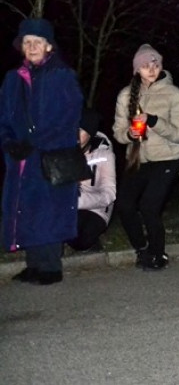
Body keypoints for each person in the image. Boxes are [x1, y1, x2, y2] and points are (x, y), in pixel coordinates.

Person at [1, 18, 83, 285]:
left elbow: (68, 118)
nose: (32, 46)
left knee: (48, 211)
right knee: (24, 210)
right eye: (27, 42)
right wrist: (9, 142)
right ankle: (33, 264)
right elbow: (4, 117)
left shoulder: (62, 76)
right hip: (20, 160)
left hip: (50, 156)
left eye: (38, 42)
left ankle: (50, 266)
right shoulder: (13, 79)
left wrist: (34, 143)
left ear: (49, 46)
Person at [112, 44, 179, 271]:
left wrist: (154, 121)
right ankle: (142, 248)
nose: (151, 69)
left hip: (167, 158)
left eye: (155, 64)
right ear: (137, 70)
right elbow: (118, 132)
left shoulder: (173, 93)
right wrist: (129, 133)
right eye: (145, 66)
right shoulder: (126, 95)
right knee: (124, 204)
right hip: (138, 159)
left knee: (149, 206)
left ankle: (158, 253)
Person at [66, 108, 116, 252]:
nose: (75, 135)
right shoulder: (63, 150)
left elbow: (109, 194)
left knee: (82, 240)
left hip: (97, 208)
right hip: (66, 205)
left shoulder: (104, 154)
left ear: (91, 134)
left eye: (81, 131)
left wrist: (78, 201)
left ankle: (93, 240)